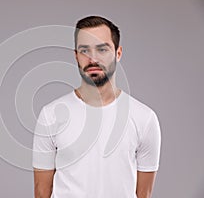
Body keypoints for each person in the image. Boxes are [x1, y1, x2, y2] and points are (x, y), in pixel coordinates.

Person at [32, 16, 161, 198]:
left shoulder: (144, 118)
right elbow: (41, 191)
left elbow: (143, 194)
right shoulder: (50, 115)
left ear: (118, 53)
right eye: (85, 50)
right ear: (76, 56)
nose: (93, 58)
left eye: (102, 49)